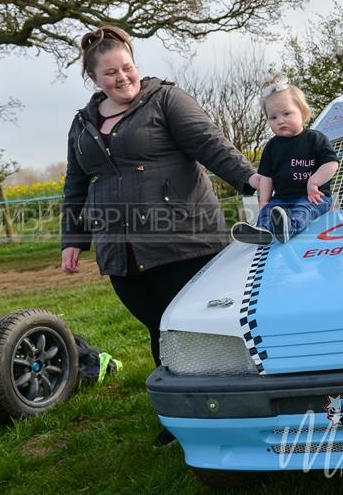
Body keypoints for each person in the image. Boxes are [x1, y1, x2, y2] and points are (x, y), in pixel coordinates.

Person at [60, 26, 262, 446]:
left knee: (194, 330)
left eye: (127, 67)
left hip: (183, 240)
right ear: (94, 79)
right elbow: (76, 184)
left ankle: (229, 407)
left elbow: (211, 145)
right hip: (121, 251)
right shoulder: (82, 124)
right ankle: (182, 414)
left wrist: (251, 181)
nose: (123, 77)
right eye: (111, 72)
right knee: (160, 329)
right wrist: (72, 239)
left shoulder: (166, 99)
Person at [231, 74, 339, 245]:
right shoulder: (272, 146)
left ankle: (291, 227)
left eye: (286, 113)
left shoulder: (315, 139)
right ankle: (262, 232)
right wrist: (264, 201)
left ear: (302, 112)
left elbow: (331, 164)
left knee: (304, 210)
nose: (280, 120)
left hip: (313, 197)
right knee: (268, 211)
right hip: (282, 198)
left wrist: (313, 182)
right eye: (273, 117)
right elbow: (267, 177)